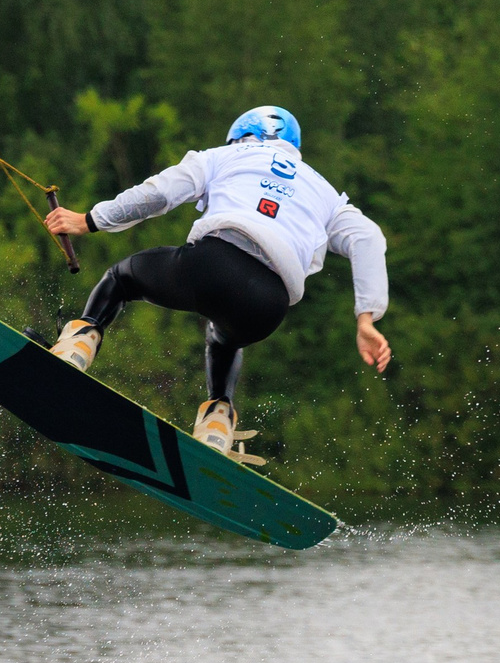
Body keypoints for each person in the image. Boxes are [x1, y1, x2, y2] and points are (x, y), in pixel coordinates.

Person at [41, 104, 391, 455]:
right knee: (224, 339)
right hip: (268, 307)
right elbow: (368, 238)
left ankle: (78, 345)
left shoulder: (224, 155)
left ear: (242, 136)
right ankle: (217, 420)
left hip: (211, 265)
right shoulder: (327, 195)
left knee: (122, 278)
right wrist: (366, 318)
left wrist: (90, 220)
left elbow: (159, 193)